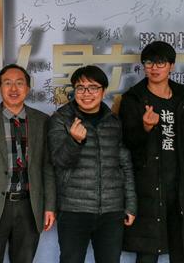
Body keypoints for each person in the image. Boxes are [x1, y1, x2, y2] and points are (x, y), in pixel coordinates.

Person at [118, 41, 184, 263]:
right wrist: (145, 128)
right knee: (147, 253)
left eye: (160, 63)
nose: (154, 68)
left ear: (171, 66)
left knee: (182, 251)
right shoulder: (133, 99)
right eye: (149, 63)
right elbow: (126, 144)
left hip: (182, 189)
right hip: (147, 189)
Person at [47, 65, 137, 263]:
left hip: (112, 211)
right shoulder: (61, 119)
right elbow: (59, 162)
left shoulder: (114, 121)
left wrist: (130, 205)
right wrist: (74, 141)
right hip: (73, 209)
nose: (86, 93)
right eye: (80, 88)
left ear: (103, 91)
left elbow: (125, 165)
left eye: (93, 87)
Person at [0, 64, 56, 263]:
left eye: (19, 83)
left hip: (30, 206)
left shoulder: (42, 121)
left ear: (28, 88)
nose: (13, 89)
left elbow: (47, 167)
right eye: (7, 83)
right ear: (0, 88)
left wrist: (49, 206)